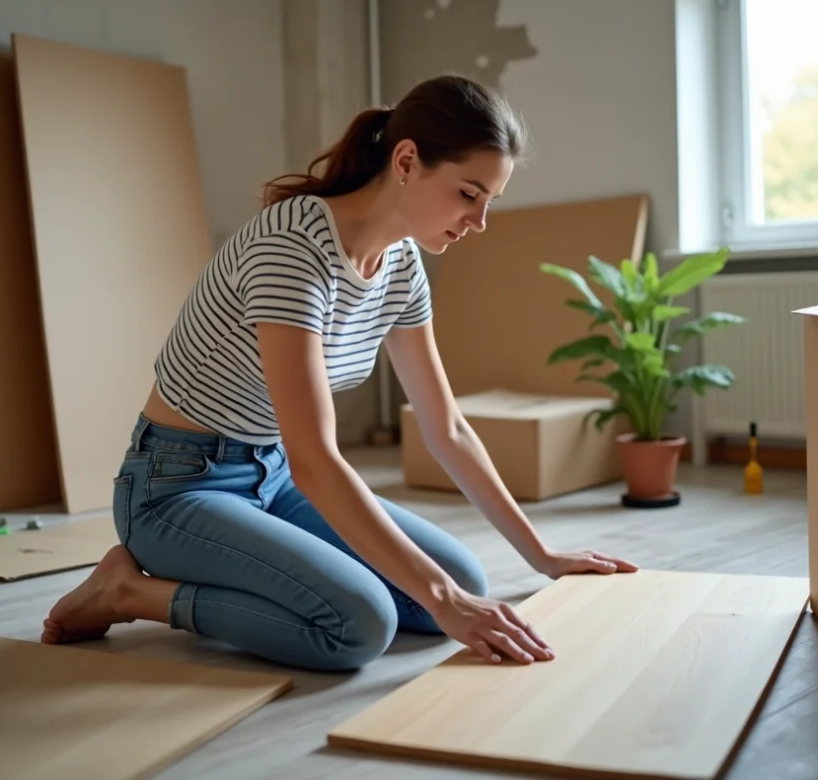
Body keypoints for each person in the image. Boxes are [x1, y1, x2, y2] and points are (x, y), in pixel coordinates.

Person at [40, 74, 638, 671]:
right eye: (467, 194)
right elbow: (317, 459)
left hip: (274, 477)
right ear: (407, 161)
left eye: (490, 201)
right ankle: (127, 591)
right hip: (179, 487)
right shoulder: (292, 248)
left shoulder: (401, 263)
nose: (479, 220)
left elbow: (447, 429)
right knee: (359, 625)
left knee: (460, 580)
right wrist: (445, 600)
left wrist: (541, 555)